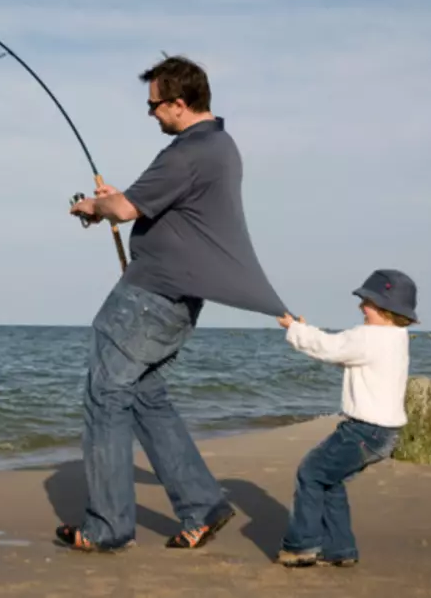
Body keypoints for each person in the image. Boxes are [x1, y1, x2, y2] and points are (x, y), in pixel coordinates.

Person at [59, 55, 292, 553]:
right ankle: (203, 504)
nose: (152, 115)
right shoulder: (219, 146)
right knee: (144, 396)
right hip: (178, 297)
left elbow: (123, 209)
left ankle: (106, 527)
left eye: (155, 106)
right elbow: (159, 206)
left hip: (150, 296)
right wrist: (119, 203)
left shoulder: (187, 152)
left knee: (105, 394)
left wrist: (94, 207)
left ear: (180, 103)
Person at [275, 269, 418, 568]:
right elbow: (345, 355)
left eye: (366, 301)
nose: (360, 307)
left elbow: (331, 348)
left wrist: (294, 329)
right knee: (331, 480)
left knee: (311, 473)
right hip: (384, 434)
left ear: (383, 307)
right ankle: (340, 549)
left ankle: (302, 546)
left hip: (364, 431)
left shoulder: (369, 336)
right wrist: (305, 332)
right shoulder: (397, 338)